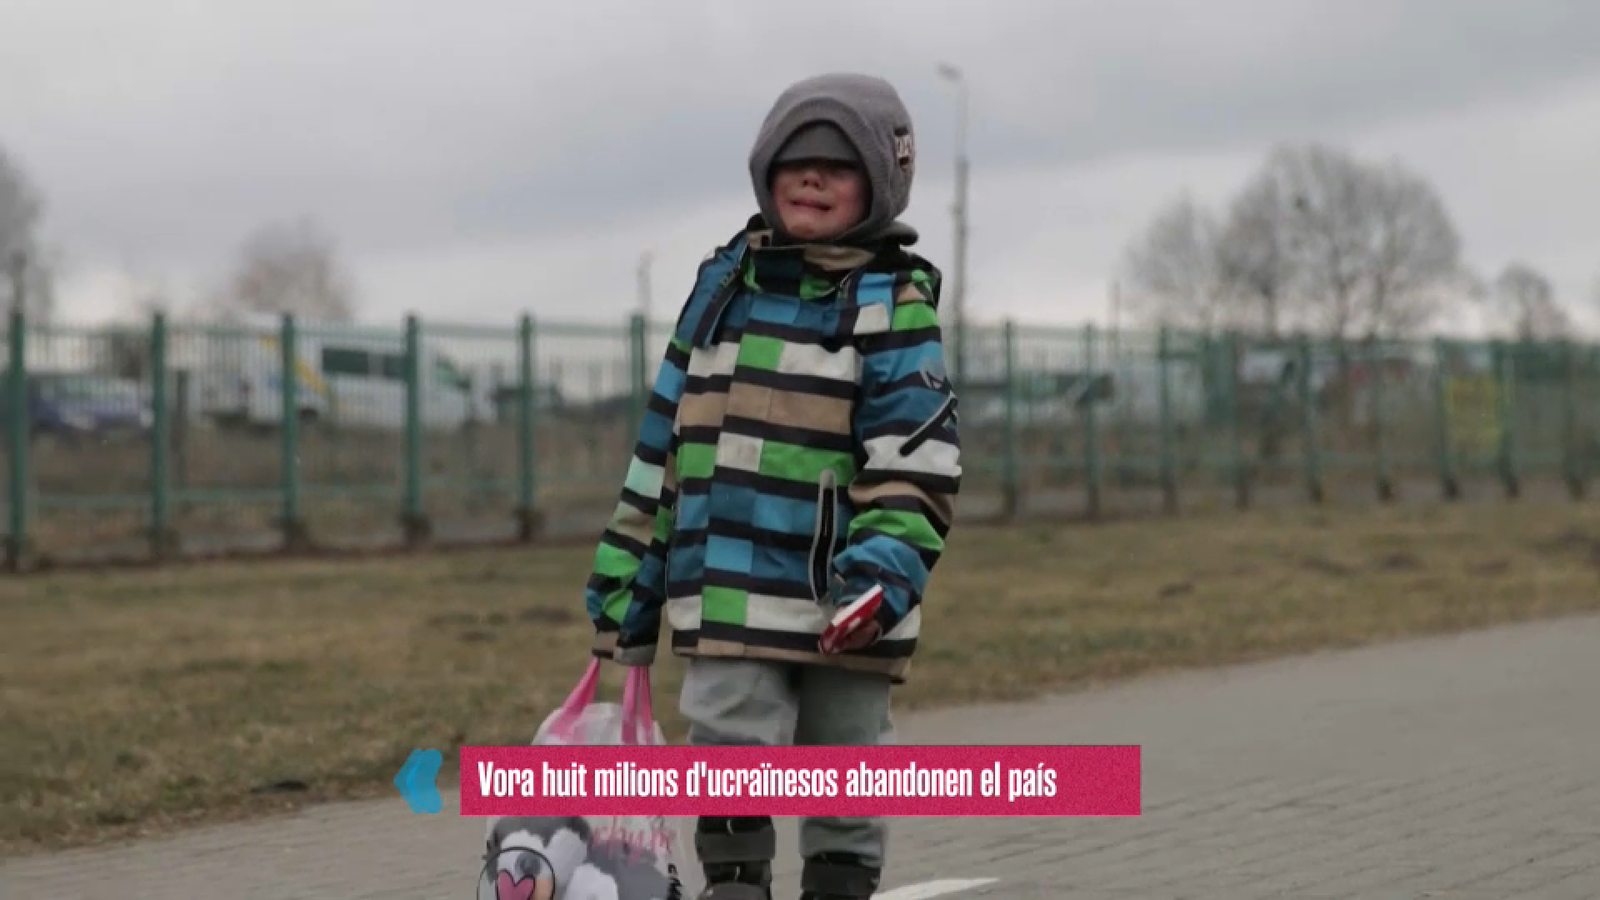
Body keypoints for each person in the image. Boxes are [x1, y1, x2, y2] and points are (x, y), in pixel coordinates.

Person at [585, 72, 963, 900]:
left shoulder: (892, 303)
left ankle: (841, 883)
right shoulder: (721, 289)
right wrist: (626, 575)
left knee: (845, 761)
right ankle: (734, 887)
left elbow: (917, 462)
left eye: (837, 163)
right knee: (726, 743)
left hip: (845, 597)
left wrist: (882, 578)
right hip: (725, 587)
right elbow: (664, 446)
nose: (812, 178)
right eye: (793, 162)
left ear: (882, 181)